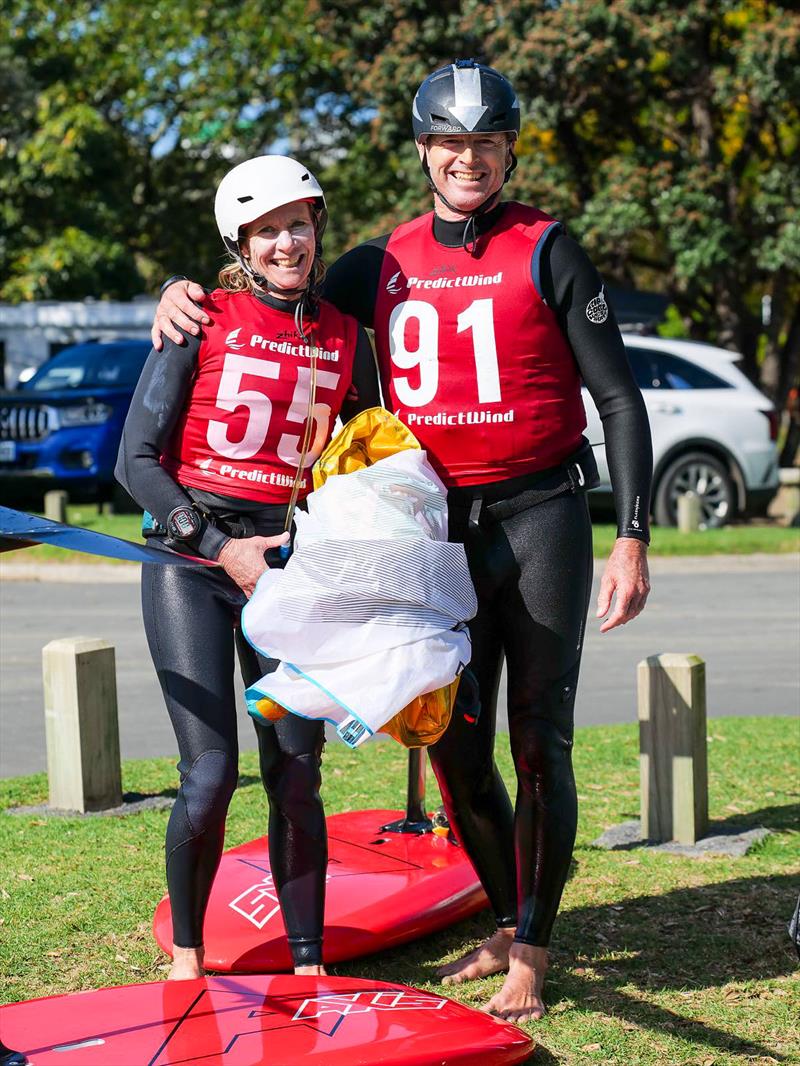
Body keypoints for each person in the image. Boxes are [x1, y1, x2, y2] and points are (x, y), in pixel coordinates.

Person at [150, 60, 652, 1021]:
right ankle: (506, 917)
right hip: (438, 534)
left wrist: (629, 539)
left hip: (540, 514)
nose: (469, 159)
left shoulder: (548, 248)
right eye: (451, 143)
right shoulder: (380, 261)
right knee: (456, 748)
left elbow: (619, 397)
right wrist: (183, 292)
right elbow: (274, 287)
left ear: (509, 151)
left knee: (538, 741)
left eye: (488, 143)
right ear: (425, 150)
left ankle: (534, 953)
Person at [116, 154, 379, 980]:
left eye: (299, 224)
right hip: (191, 564)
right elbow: (135, 462)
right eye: (268, 230)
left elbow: (371, 457)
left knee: (297, 771)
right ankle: (188, 962)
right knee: (211, 775)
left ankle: (308, 965)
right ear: (242, 240)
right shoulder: (202, 318)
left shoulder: (344, 333)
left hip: (290, 569)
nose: (288, 243)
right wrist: (217, 547)